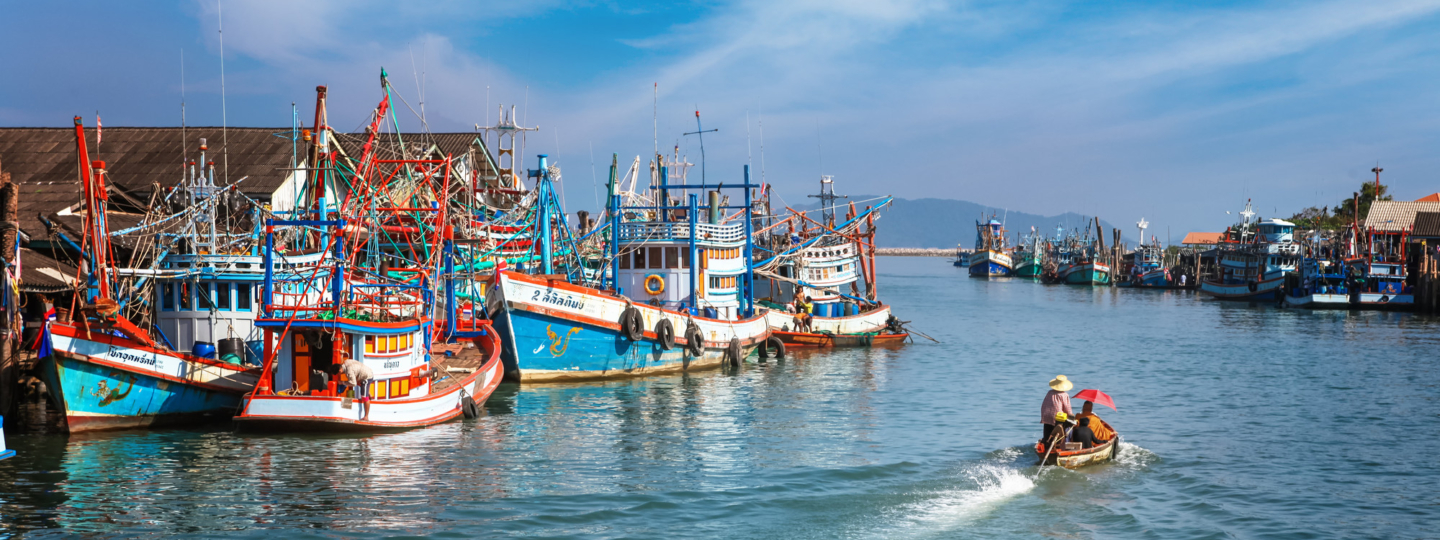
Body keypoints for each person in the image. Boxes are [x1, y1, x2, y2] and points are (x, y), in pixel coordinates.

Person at [1040, 375, 1073, 442]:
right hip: (1058, 417)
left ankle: (1046, 441)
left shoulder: (1049, 392)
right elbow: (1067, 408)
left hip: (1046, 415)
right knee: (1066, 426)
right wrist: (1071, 417)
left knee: (1047, 431)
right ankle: (1061, 442)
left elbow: (1044, 404)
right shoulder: (1064, 395)